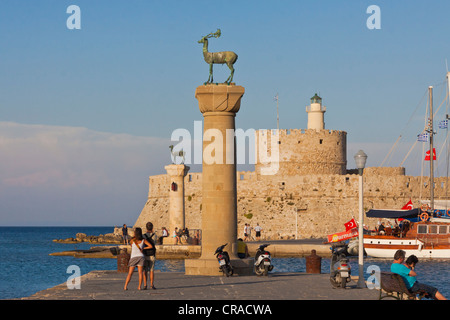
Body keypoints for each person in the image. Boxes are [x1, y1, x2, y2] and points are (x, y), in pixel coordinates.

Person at [143, 222, 157, 290]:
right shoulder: (155, 235)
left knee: (145, 271)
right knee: (151, 270)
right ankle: (151, 285)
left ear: (146, 228)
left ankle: (145, 285)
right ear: (152, 228)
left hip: (145, 255)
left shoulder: (143, 236)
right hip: (152, 255)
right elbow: (155, 243)